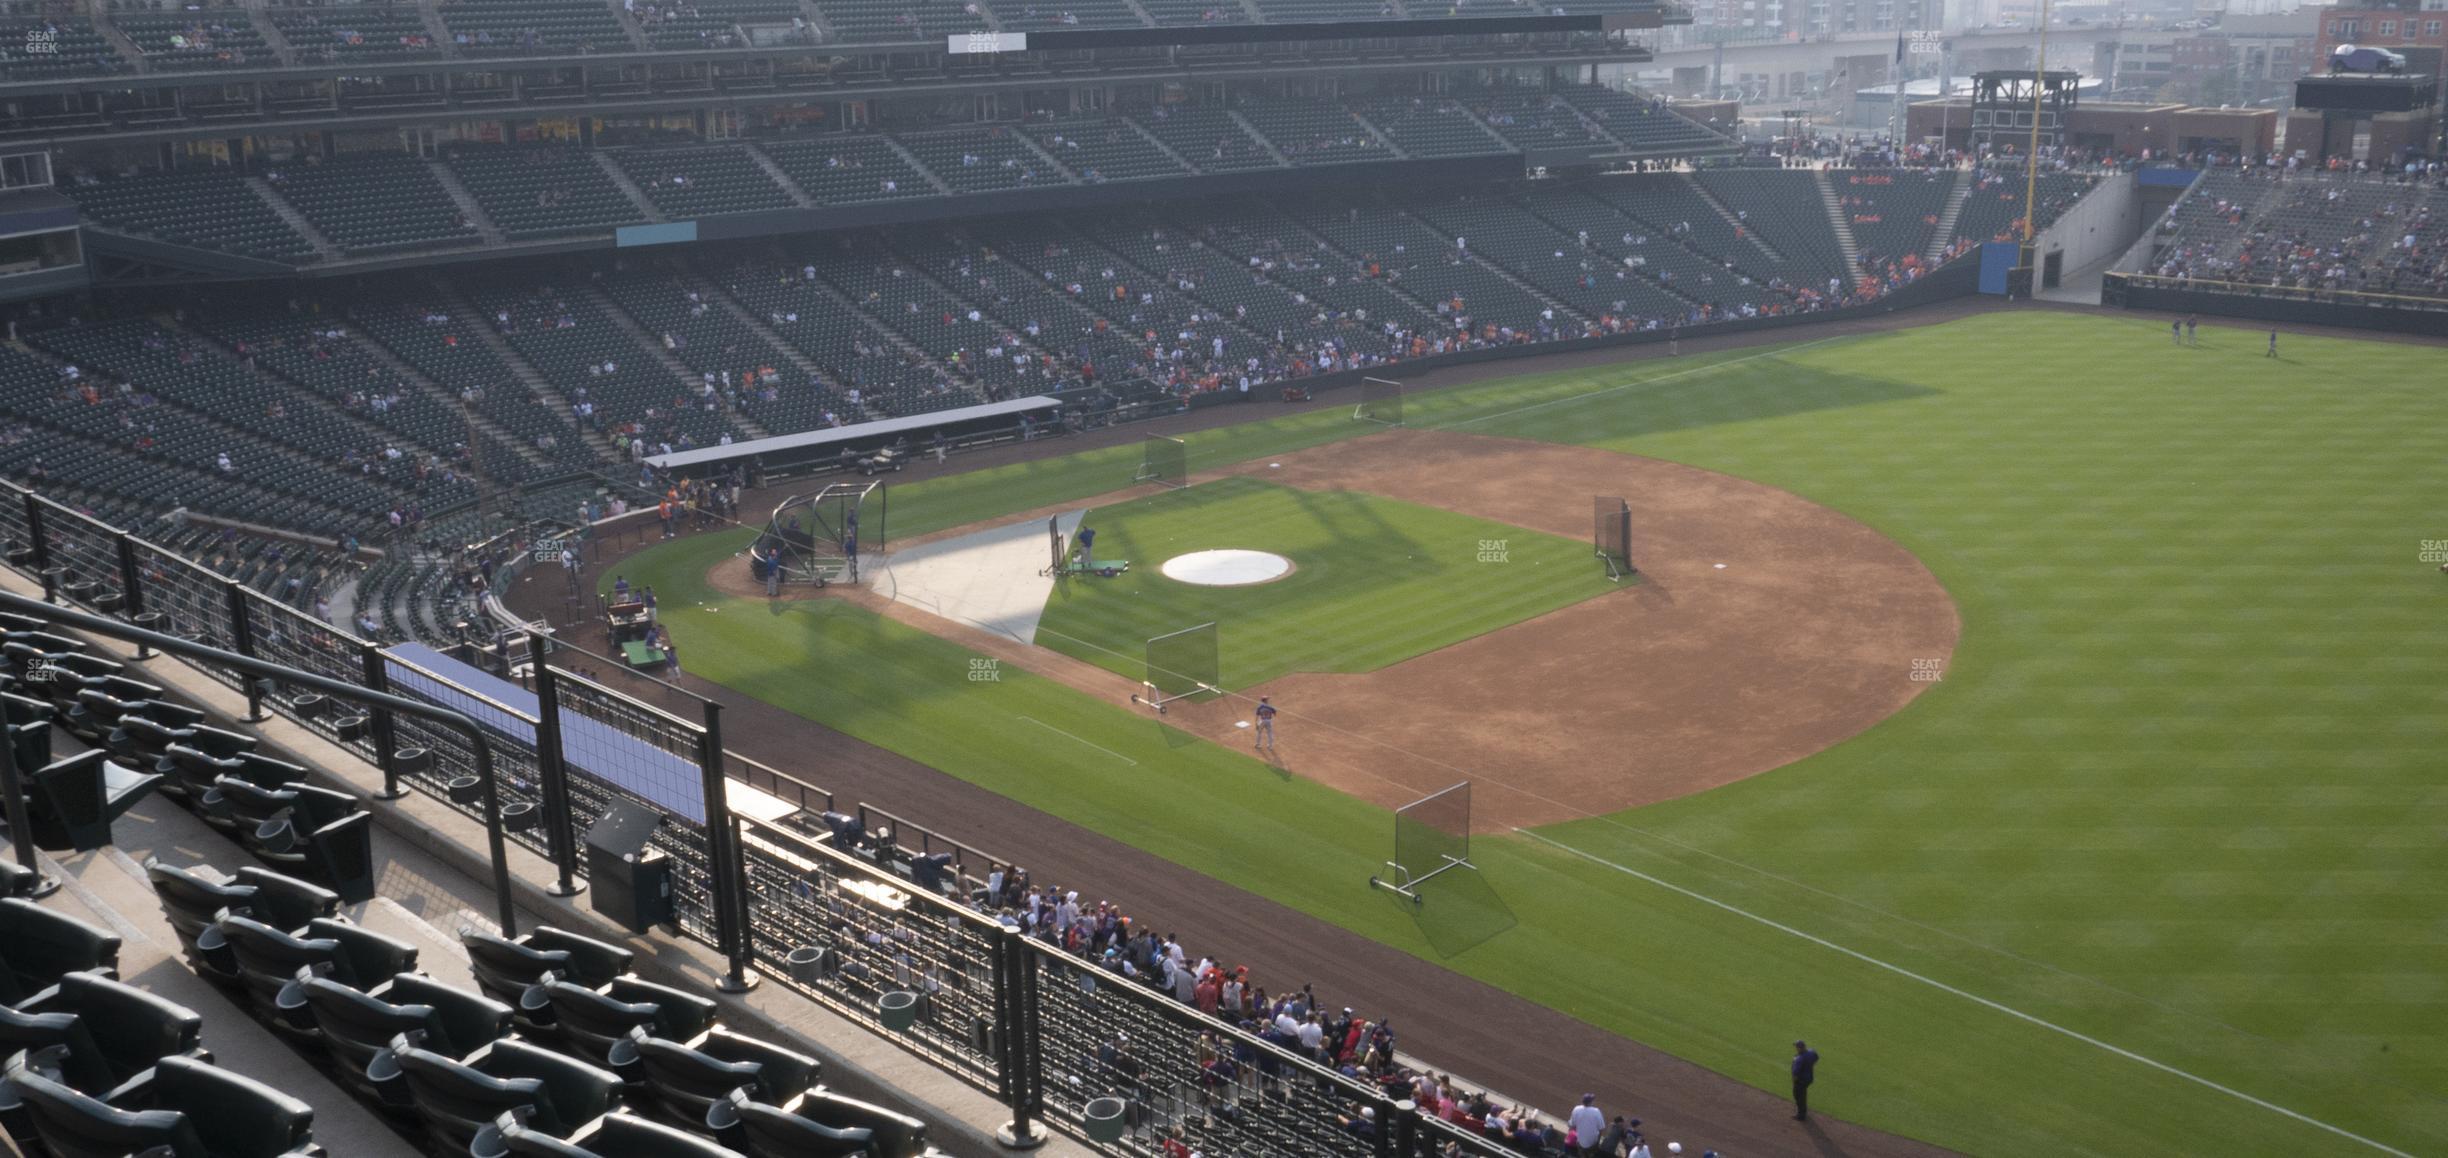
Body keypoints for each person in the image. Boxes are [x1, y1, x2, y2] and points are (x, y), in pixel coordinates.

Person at [1791, 1039, 1819, 1120]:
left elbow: (1795, 1073)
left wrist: (1794, 1082)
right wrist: (1809, 1065)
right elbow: (1816, 1058)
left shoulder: (1799, 1059)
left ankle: (1801, 1115)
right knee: (1803, 1093)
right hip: (1809, 1078)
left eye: (1796, 1047)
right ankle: (1803, 1110)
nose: (1796, 1048)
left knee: (1798, 1095)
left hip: (1801, 1081)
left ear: (1800, 1048)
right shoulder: (1811, 1052)